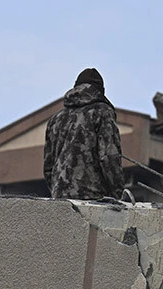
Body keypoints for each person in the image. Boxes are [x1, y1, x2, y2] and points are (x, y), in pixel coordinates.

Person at [44, 68, 124, 200]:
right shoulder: (102, 112)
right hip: (92, 197)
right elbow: (109, 158)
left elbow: (48, 167)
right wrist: (117, 194)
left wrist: (57, 189)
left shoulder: (56, 119)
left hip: (59, 199)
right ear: (100, 90)